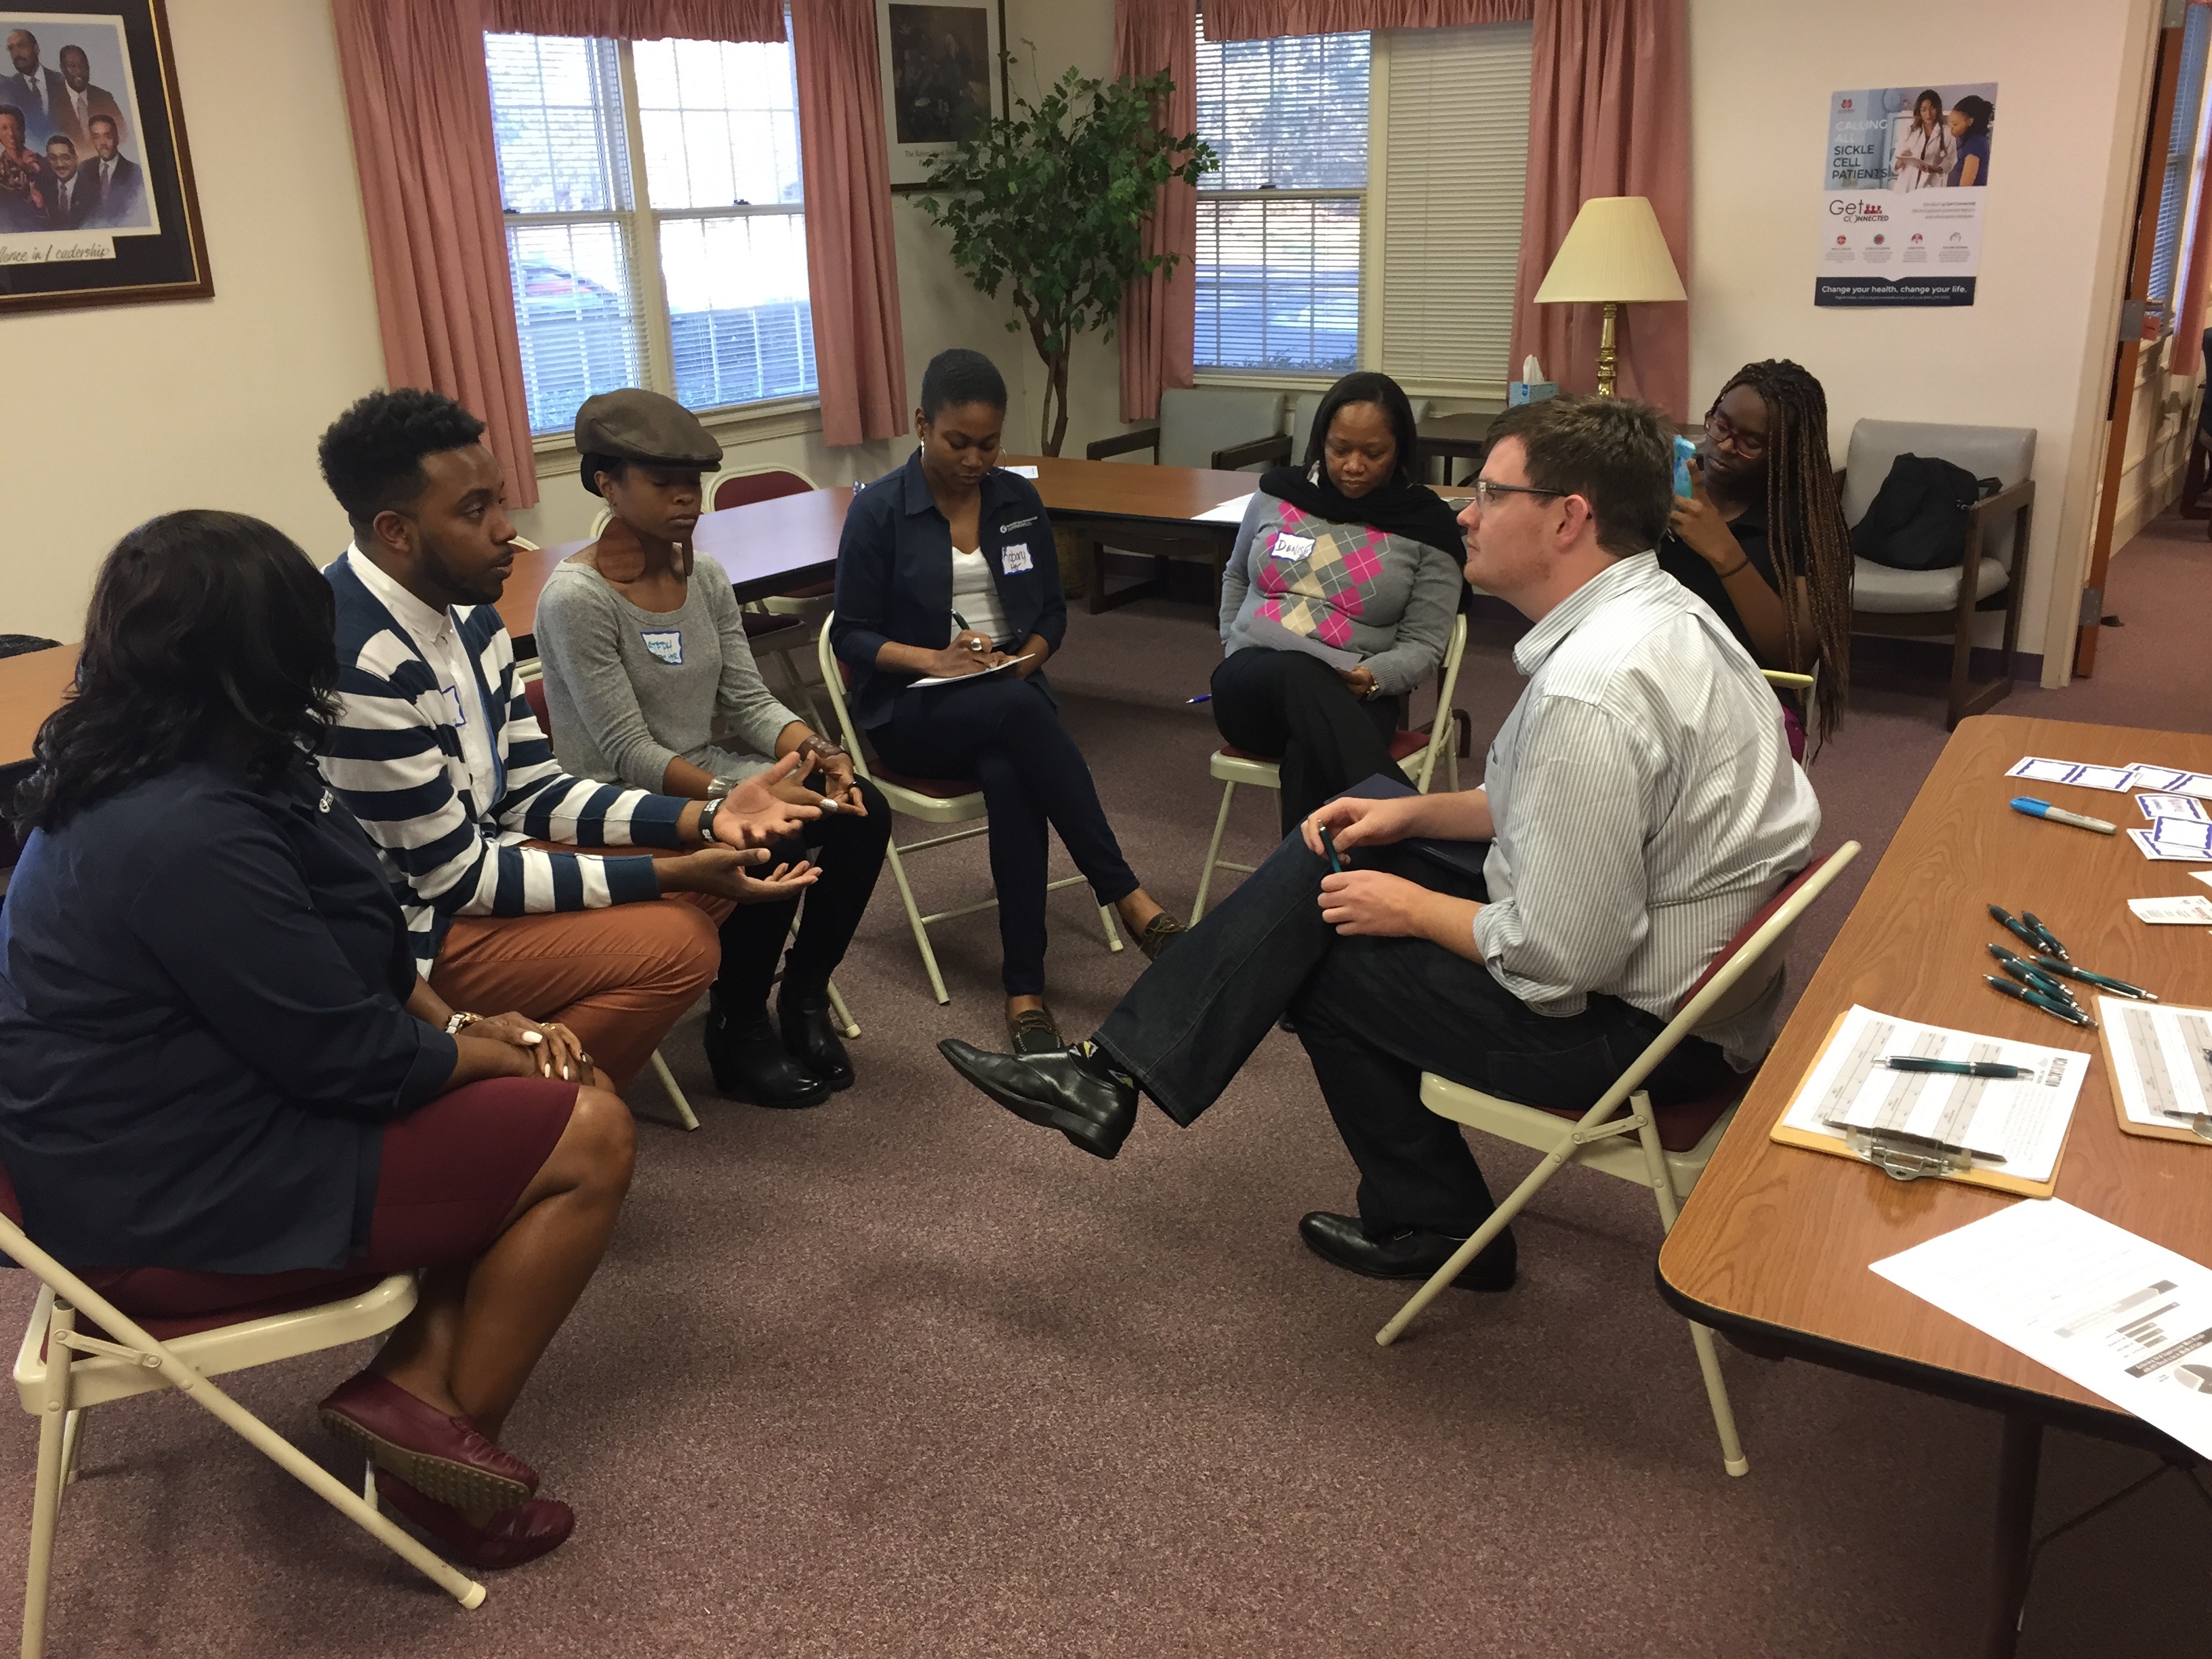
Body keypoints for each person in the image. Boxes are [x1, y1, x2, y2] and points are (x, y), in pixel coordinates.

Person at [937, 395, 1820, 1290]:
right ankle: (1110, 1075)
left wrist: (1411, 907)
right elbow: (1539, 803)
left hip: (1639, 1036)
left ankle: (1431, 1221)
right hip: (1691, 983)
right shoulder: (1664, 615)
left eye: (1490, 492)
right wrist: (1413, 815)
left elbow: (1561, 957)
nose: (1466, 513)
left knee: (1329, 960)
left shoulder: (1592, 691)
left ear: (1567, 518)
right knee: (1358, 814)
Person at [0, 510, 637, 1568]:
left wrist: (467, 1023)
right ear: (271, 652)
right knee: (590, 1138)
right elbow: (351, 1060)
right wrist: (502, 1054)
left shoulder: (181, 758)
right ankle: (436, 1469)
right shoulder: (179, 828)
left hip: (168, 1121)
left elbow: (354, 947)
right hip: (158, 1202)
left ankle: (416, 1393)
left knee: (546, 1110)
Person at [316, 388, 821, 1099]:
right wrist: (672, 871)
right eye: (474, 512)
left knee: (724, 866)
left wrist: (707, 819)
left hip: (486, 863)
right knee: (682, 939)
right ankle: (518, 1107)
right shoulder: (356, 660)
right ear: (395, 531)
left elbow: (533, 789)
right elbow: (457, 881)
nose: (506, 531)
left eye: (500, 502)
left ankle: (539, 1082)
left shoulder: (469, 614)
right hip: (410, 938)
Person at [535, 390, 893, 1108]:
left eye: (690, 482)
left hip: (697, 771)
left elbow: (748, 699)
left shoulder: (704, 576)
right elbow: (629, 750)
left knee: (860, 809)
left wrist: (818, 748)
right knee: (768, 831)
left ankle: (804, 997)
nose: (684, 498)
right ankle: (736, 1025)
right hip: (612, 799)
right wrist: (734, 800)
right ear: (607, 483)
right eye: (661, 481)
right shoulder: (578, 598)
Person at [830, 348, 1185, 1054]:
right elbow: (853, 635)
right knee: (1023, 721)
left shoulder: (1018, 501)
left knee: (1009, 767)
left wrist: (1029, 659)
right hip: (910, 709)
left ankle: (1025, 989)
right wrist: (936, 659)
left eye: (988, 444)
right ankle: (1127, 896)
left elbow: (1052, 613)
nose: (974, 459)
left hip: (1004, 697)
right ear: (922, 423)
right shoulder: (878, 512)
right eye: (957, 442)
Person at [1211, 370, 1465, 832]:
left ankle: (1311, 898)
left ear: (1401, 450)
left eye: (1373, 453)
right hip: (1253, 688)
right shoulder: (1277, 494)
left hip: (1358, 696)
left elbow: (1426, 643)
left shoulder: (1426, 527)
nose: (1353, 465)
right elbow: (1234, 575)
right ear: (1320, 442)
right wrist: (1233, 640)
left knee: (1311, 756)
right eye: (1339, 449)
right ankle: (1415, 828)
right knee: (1294, 669)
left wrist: (1372, 677)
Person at [1656, 359, 1852, 756]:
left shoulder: (1803, 526)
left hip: (1751, 699)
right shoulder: (1667, 491)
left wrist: (1723, 550)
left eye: (1750, 443)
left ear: (1786, 452)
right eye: (1720, 425)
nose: (1724, 446)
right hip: (1655, 681)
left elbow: (1794, 657)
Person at [52, 44, 121, 150]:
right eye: (73, 66)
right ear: (63, 68)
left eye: (83, 65)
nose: (80, 71)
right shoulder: (52, 101)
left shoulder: (105, 98)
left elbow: (122, 133)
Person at [1, 30, 63, 144]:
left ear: (36, 49)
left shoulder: (62, 82)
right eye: (11, 49)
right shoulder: (6, 89)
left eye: (21, 46)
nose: (16, 54)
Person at [82, 113, 142, 227]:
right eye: (96, 137)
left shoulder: (135, 173)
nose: (102, 143)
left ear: (117, 138)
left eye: (107, 136)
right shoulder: (84, 169)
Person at [1891, 89, 1952, 193]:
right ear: (1919, 111)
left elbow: (1950, 161)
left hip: (1930, 186)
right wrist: (1901, 160)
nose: (1928, 114)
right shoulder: (1909, 130)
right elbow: (1895, 164)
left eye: (1932, 109)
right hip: (1905, 186)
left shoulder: (1946, 132)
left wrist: (1936, 169)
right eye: (1924, 110)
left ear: (1938, 109)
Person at [0, 106, 51, 231]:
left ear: (22, 130)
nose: (11, 134)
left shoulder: (43, 164)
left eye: (15, 128)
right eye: (4, 128)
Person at [41, 134, 91, 228]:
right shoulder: (44, 189)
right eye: (53, 158)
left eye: (65, 157)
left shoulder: (92, 191)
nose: (59, 164)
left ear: (75, 158)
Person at [1947, 95, 1992, 187]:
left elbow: (1966, 186)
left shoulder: (1975, 144)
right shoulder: (1972, 142)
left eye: (1955, 124)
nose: (1950, 128)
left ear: (1970, 122)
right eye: (1950, 122)